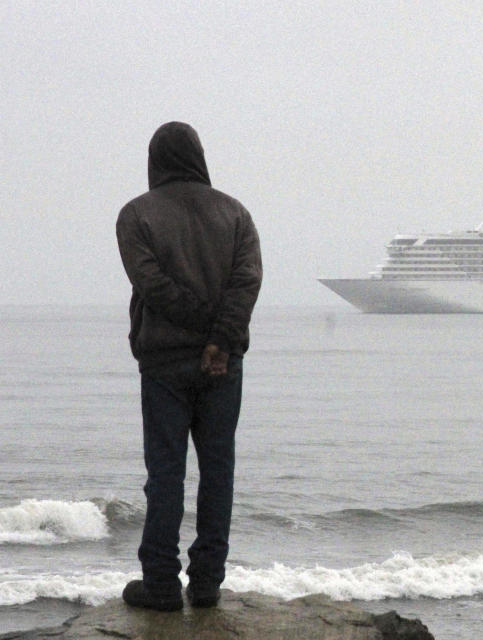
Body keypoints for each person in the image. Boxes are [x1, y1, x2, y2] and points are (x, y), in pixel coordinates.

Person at [116, 122, 262, 611]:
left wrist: (202, 329)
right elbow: (246, 283)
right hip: (224, 364)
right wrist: (219, 338)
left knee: (165, 474)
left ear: (155, 159)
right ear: (199, 156)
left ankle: (160, 586)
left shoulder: (136, 214)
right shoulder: (236, 213)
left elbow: (151, 284)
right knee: (218, 471)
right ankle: (206, 585)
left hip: (163, 363)